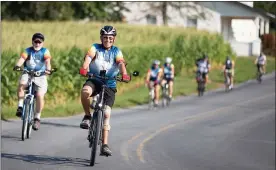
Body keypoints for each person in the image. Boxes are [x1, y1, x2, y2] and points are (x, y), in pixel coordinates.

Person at [79, 25, 131, 156]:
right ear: (101, 38)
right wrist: (85, 67)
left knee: (107, 113)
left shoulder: (116, 51)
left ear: (113, 39)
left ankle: (105, 145)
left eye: (110, 37)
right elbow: (88, 58)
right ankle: (87, 116)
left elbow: (120, 63)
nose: (108, 39)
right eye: (105, 37)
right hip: (95, 79)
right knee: (85, 92)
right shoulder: (95, 47)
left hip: (110, 83)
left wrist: (124, 73)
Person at [13, 33, 52, 131]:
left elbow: (48, 62)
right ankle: (20, 106)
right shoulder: (28, 50)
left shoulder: (45, 51)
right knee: (22, 85)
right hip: (28, 73)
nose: (37, 44)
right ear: (32, 42)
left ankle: (37, 117)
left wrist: (48, 70)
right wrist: (18, 66)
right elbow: (22, 59)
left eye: (39, 42)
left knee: (39, 95)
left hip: (41, 75)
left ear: (42, 43)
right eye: (36, 41)